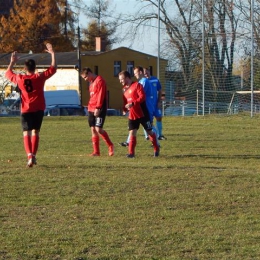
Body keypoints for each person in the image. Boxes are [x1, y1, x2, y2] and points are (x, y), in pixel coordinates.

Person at [5, 43, 57, 167]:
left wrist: (12, 62)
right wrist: (53, 54)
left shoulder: (19, 78)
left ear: (25, 68)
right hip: (38, 108)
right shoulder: (39, 77)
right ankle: (33, 155)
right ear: (35, 67)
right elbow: (53, 68)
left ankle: (29, 156)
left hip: (26, 109)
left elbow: (7, 73)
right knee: (36, 132)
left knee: (26, 133)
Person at [118, 70, 160, 158]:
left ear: (127, 78)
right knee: (132, 133)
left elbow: (142, 97)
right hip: (132, 115)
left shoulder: (137, 85)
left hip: (143, 113)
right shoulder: (124, 89)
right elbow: (125, 101)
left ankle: (156, 148)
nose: (120, 81)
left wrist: (133, 103)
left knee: (149, 132)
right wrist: (124, 109)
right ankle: (131, 153)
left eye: (121, 79)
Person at [81, 67, 114, 156]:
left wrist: (98, 107)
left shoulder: (100, 80)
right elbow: (93, 96)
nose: (85, 80)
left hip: (99, 108)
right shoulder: (91, 83)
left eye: (85, 77)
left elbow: (101, 95)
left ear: (89, 73)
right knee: (93, 129)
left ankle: (110, 145)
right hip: (91, 108)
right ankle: (96, 151)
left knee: (98, 129)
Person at [144, 67, 167, 140]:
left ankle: (160, 134)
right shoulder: (143, 81)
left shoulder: (155, 79)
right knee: (148, 120)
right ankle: (147, 135)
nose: (146, 74)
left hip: (155, 103)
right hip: (147, 104)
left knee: (159, 118)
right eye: (144, 73)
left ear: (149, 71)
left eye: (146, 72)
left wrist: (159, 101)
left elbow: (160, 90)